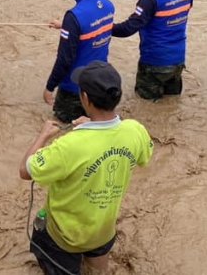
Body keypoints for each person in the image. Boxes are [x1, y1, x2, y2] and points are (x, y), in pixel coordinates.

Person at [20, 61, 153, 275]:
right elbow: (143, 154)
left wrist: (43, 135)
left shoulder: (70, 145)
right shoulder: (136, 130)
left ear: (85, 99)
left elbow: (26, 171)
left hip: (66, 237)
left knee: (47, 246)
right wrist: (95, 125)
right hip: (103, 230)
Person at [111, 0, 194, 100]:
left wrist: (104, 28)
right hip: (178, 61)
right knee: (172, 103)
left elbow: (129, 28)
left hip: (154, 62)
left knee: (147, 104)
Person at [43, 0, 115, 123]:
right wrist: (66, 27)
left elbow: (64, 59)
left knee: (64, 127)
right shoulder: (107, 5)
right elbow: (94, 29)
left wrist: (49, 87)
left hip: (75, 87)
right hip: (99, 81)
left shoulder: (74, 16)